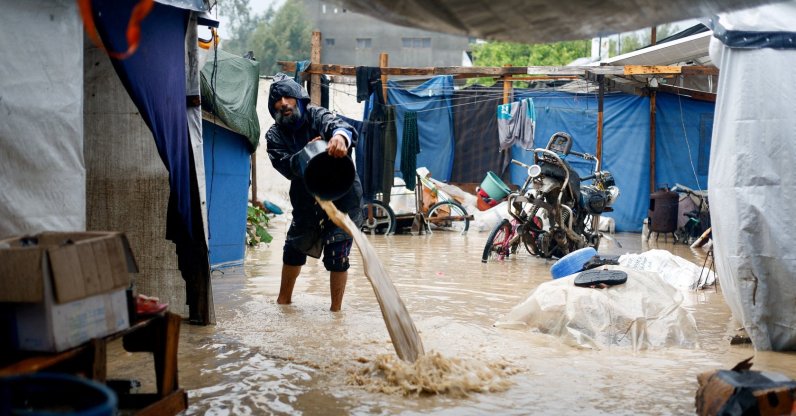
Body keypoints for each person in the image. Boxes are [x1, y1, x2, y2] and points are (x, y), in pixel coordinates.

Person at [265, 73, 363, 312]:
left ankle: (336, 313)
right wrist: (308, 151)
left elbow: (340, 126)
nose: (284, 103)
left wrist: (340, 137)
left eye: (289, 97)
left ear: (299, 99)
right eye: (278, 101)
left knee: (338, 258)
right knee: (293, 250)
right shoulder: (274, 136)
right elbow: (287, 167)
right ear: (273, 108)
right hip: (306, 199)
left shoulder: (317, 115)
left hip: (342, 196)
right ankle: (283, 303)